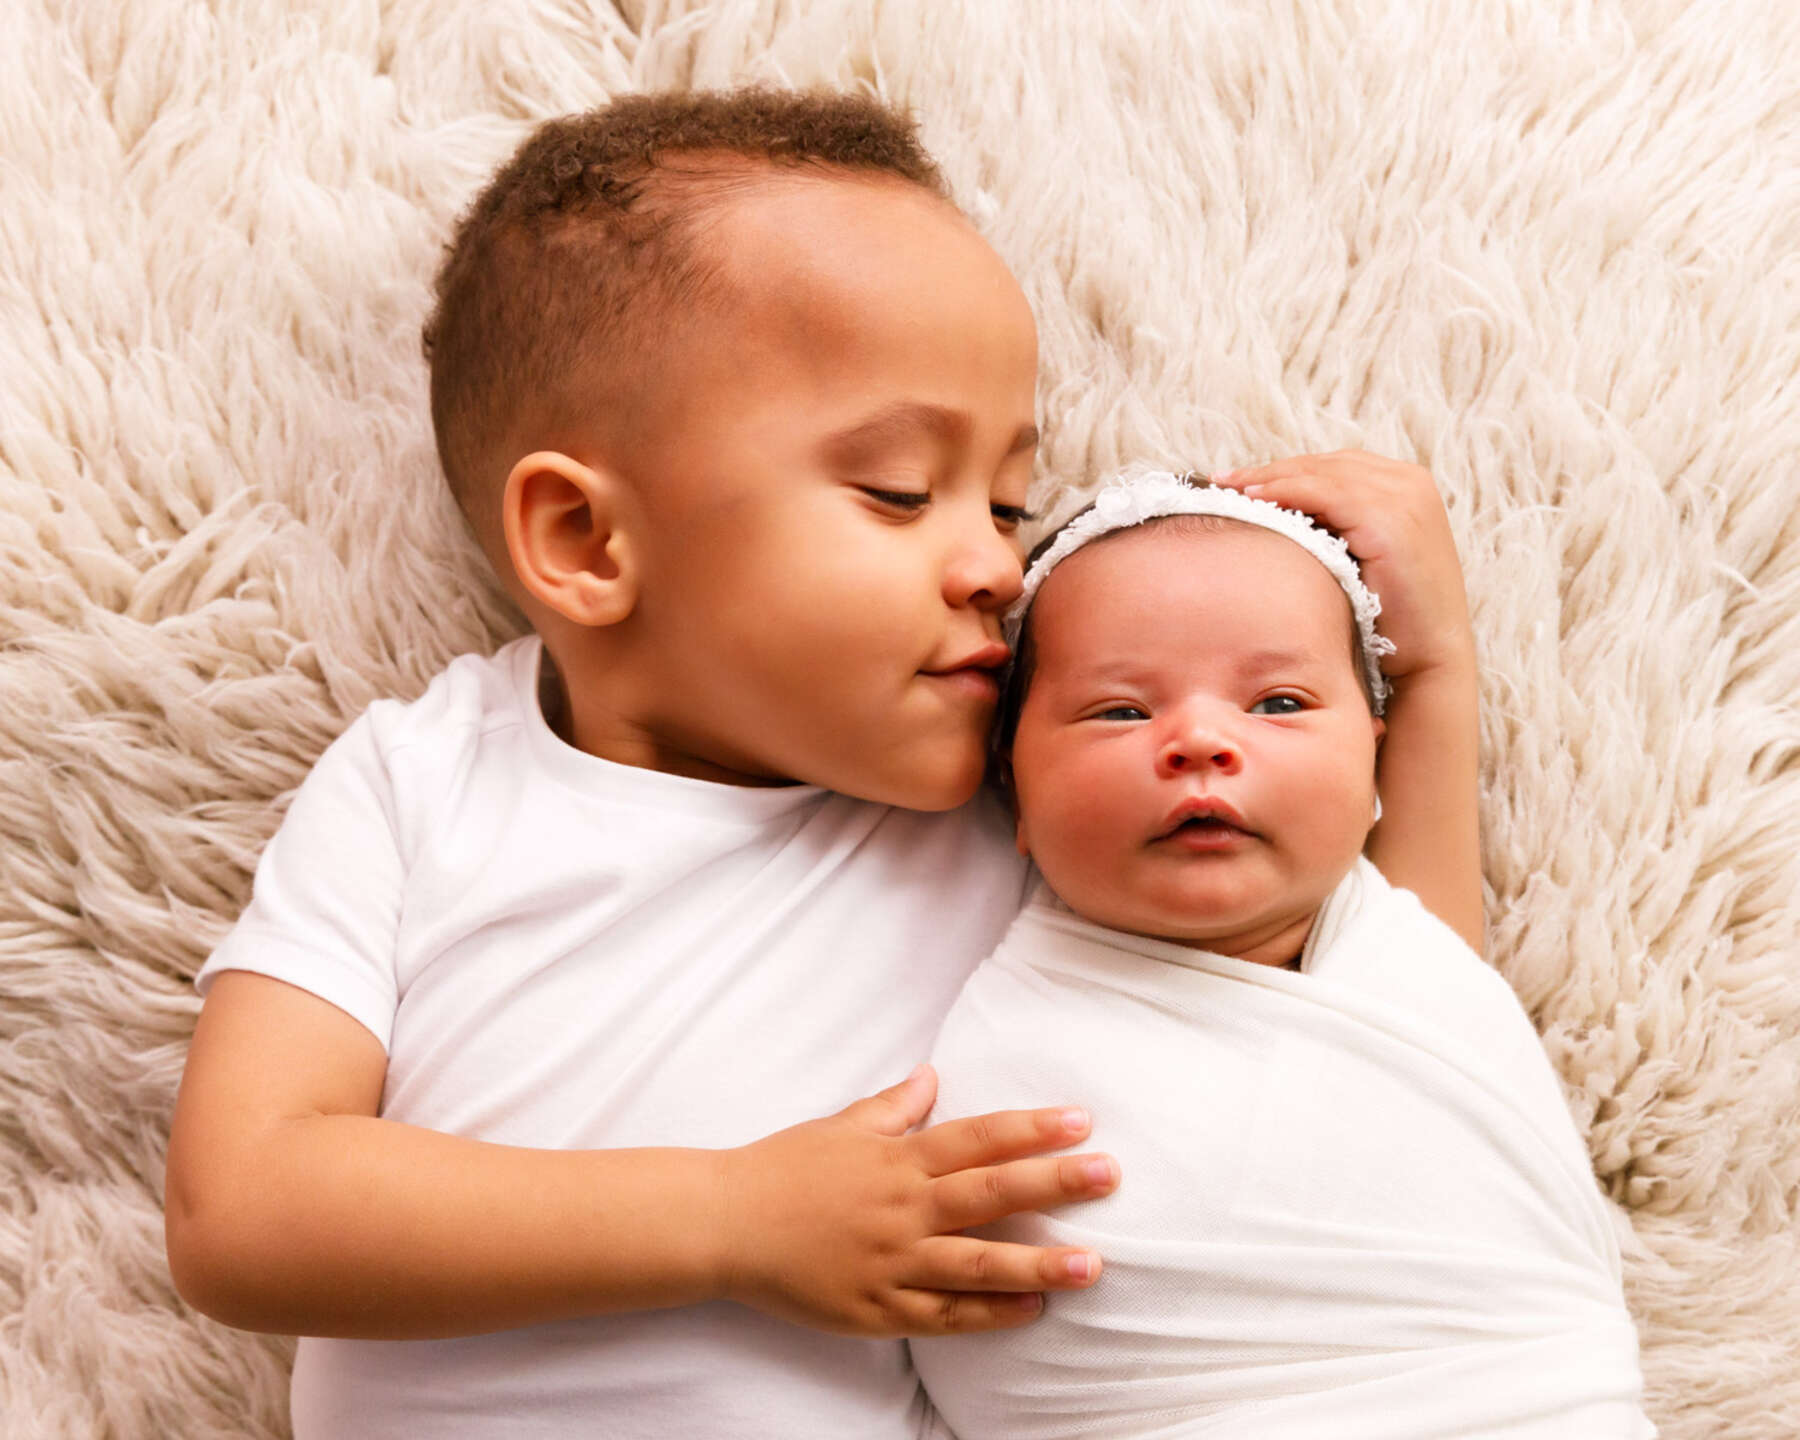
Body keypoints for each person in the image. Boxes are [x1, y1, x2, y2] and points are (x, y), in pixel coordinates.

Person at [162, 86, 1481, 1440]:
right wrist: (731, 1219)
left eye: (1010, 502)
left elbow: (1400, 1031)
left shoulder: (1025, 800)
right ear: (587, 542)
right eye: (901, 491)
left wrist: (1425, 683)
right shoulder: (420, 782)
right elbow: (242, 1211)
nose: (994, 563)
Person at [911, 469, 1652, 1439]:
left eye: (1281, 702)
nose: (1202, 739)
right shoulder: (976, 974)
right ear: (1013, 791)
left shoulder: (1402, 958)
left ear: (1373, 770)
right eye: (1121, 712)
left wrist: (1436, 662)